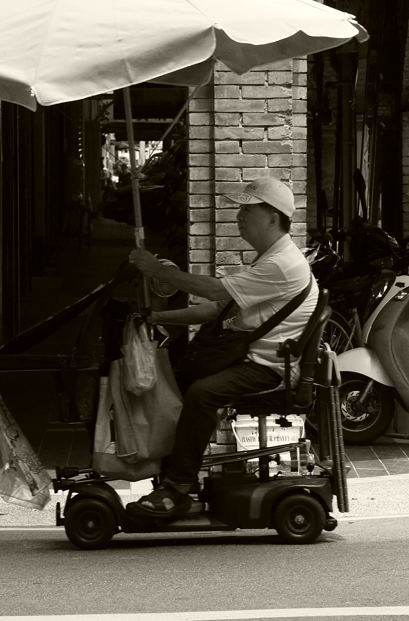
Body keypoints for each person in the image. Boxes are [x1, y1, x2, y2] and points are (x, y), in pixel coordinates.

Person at [127, 172, 318, 519]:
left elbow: (215, 292)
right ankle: (173, 480)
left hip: (269, 369)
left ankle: (178, 487)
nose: (238, 217)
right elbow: (218, 309)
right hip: (252, 360)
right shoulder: (270, 258)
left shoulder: (282, 263)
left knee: (201, 393)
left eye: (247, 211)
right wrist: (157, 319)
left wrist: (157, 270)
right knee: (177, 379)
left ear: (273, 218)